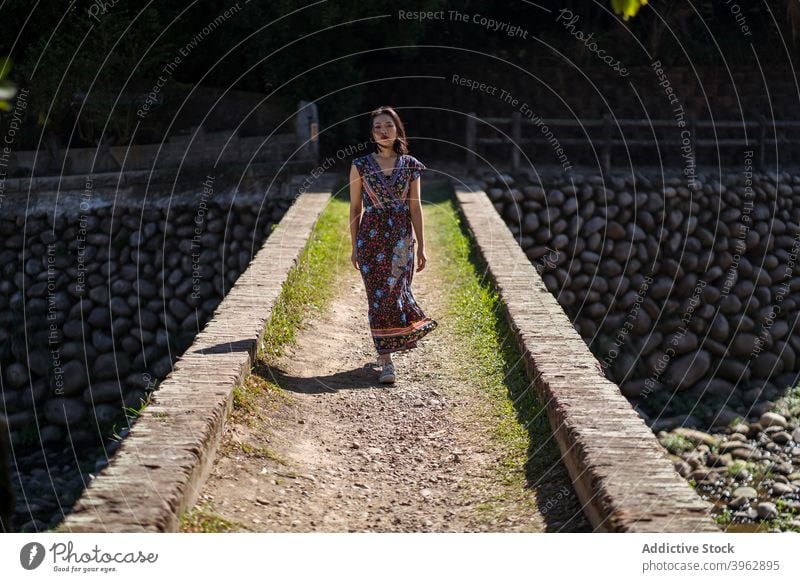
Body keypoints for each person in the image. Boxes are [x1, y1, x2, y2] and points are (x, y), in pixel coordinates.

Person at [349, 106, 438, 384]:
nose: (383, 131)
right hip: (371, 240)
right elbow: (354, 209)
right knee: (378, 298)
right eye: (377, 127)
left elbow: (416, 208)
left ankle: (386, 346)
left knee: (395, 294)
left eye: (388, 125)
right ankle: (386, 360)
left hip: (401, 240)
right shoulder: (360, 165)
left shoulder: (410, 165)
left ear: (397, 129)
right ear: (372, 133)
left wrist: (421, 245)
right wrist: (354, 247)